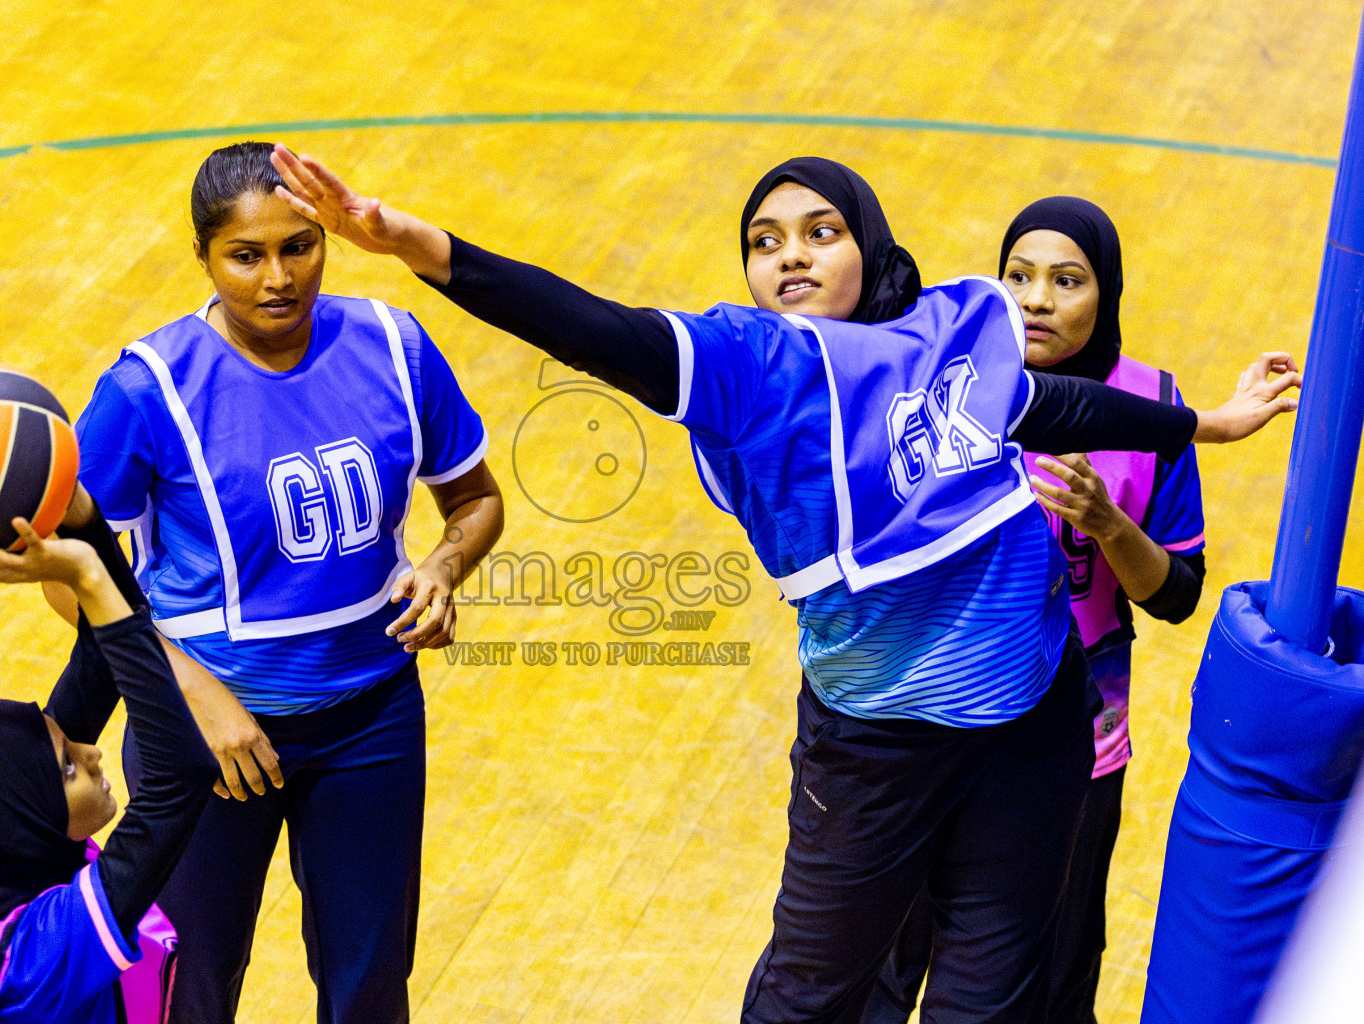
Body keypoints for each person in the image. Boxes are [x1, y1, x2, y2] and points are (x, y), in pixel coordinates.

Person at [267, 146, 1299, 1023]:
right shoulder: (744, 365)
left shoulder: (944, 334)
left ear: (867, 244)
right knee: (812, 994)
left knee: (991, 1001)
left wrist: (1201, 424)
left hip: (1034, 731)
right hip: (876, 750)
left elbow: (1053, 409)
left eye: (818, 231)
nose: (790, 253)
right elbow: (593, 326)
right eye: (765, 241)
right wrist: (416, 248)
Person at [72, 141, 503, 1024]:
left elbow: (476, 498)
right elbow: (74, 577)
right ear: (203, 257)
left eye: (299, 247)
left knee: (370, 991)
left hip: (371, 720)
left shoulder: (392, 344)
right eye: (246, 255)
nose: (278, 277)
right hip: (204, 738)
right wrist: (191, 692)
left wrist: (443, 566)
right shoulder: (147, 390)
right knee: (185, 988)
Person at [861, 197, 1209, 1024]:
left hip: (1077, 747)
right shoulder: (945, 389)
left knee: (1050, 971)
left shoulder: (1151, 406)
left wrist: (1108, 523)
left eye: (1066, 280)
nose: (1036, 298)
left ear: (1107, 294)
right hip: (934, 727)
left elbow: (1177, 594)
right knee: (886, 959)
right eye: (1017, 275)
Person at [0, 491, 220, 1023]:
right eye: (67, 767)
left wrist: (85, 526)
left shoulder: (6, 862)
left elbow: (100, 656)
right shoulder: (33, 966)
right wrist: (86, 580)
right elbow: (182, 777)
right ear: (20, 825)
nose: (92, 753)